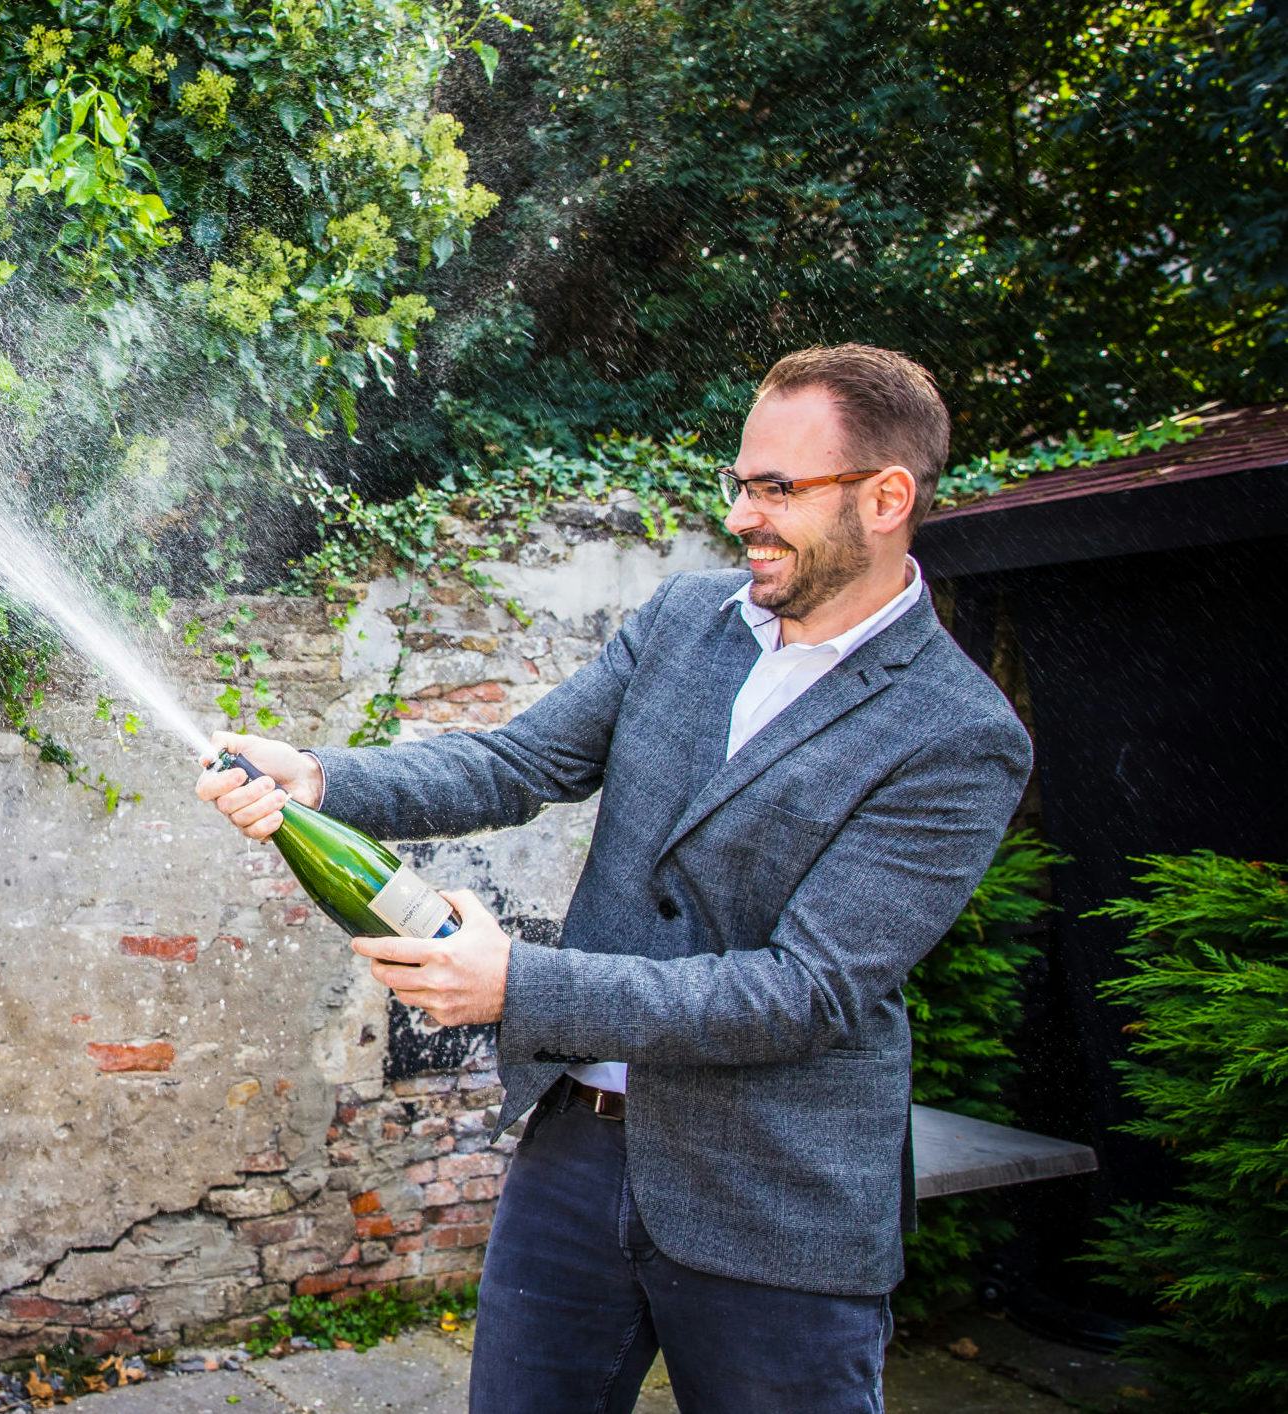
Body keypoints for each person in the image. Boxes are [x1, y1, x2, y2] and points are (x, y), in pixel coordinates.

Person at [197, 345, 1031, 1411]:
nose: (742, 515)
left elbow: (806, 990)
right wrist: (318, 774)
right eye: (740, 482)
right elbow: (519, 761)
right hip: (576, 1159)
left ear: (886, 497)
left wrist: (522, 986)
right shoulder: (686, 620)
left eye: (778, 488)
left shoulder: (959, 733)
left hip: (776, 1195)